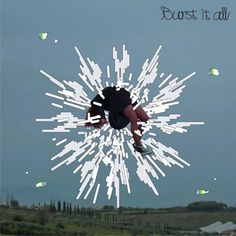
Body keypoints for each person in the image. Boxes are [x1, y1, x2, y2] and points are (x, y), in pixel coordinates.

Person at [85, 86, 152, 155]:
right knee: (134, 120)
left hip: (125, 97)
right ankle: (138, 145)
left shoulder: (97, 102)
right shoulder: (104, 103)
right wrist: (103, 117)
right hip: (121, 99)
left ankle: (137, 143)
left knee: (144, 119)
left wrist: (102, 117)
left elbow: (95, 103)